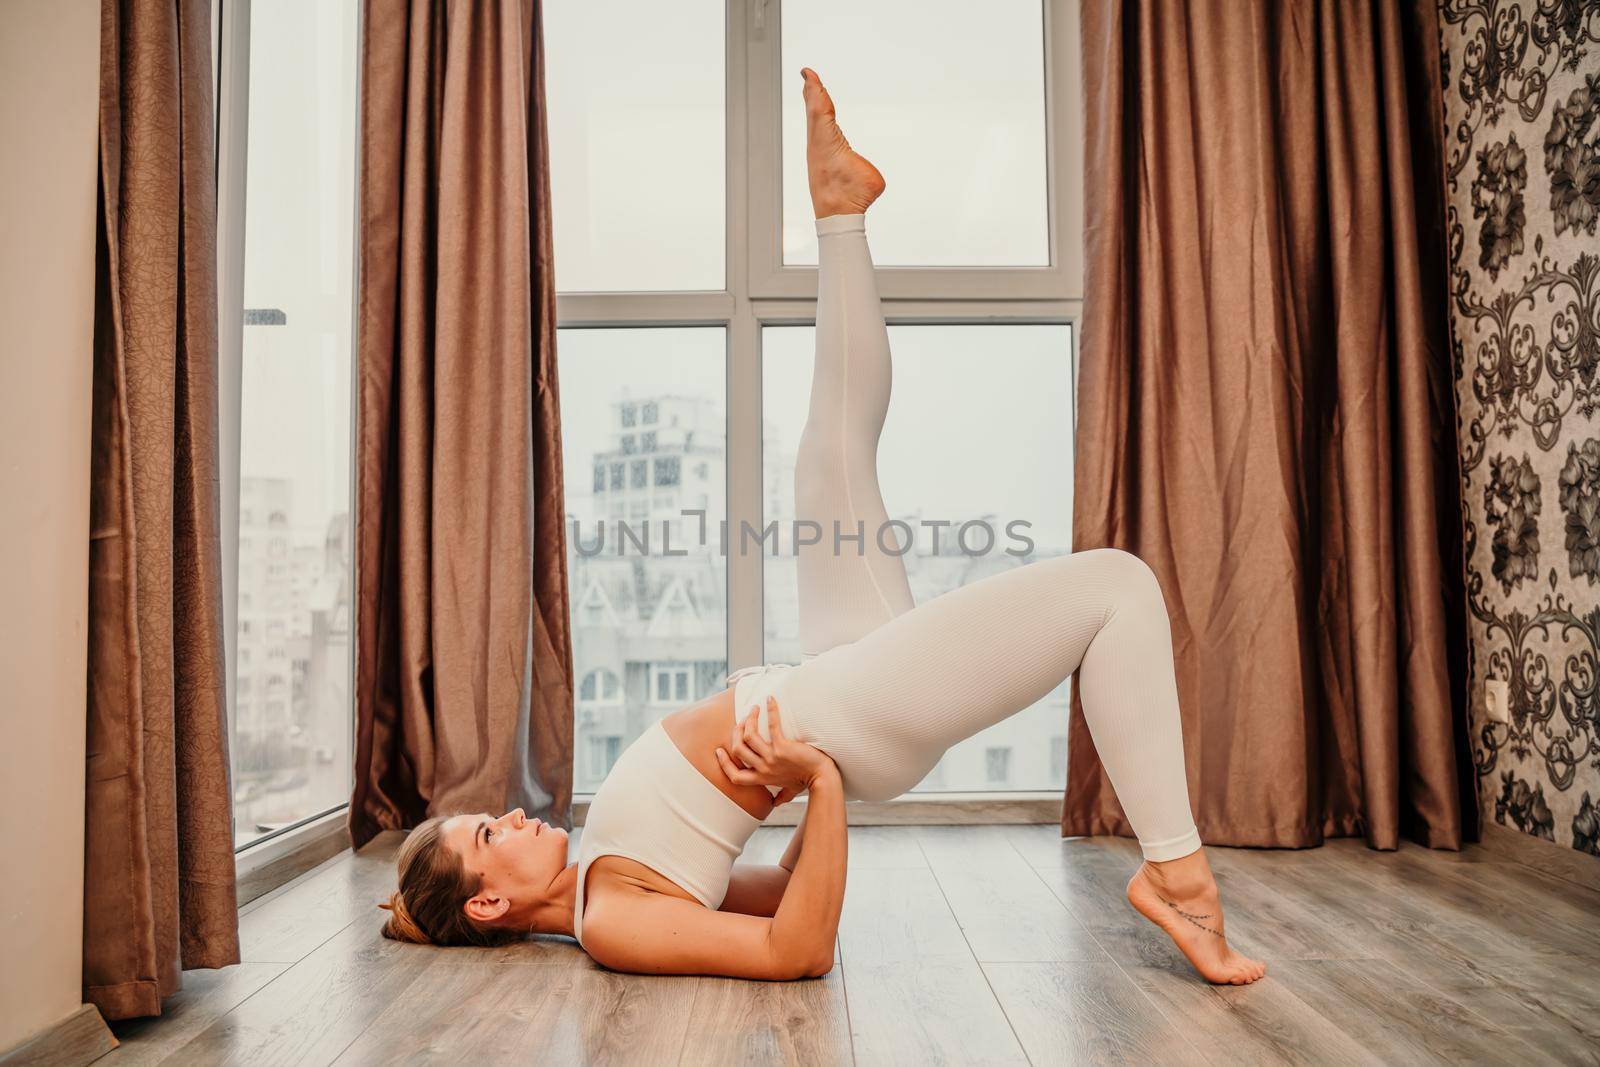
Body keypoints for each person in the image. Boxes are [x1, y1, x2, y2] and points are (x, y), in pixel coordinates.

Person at [380, 68, 1267, 986]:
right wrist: (822, 774)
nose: (515, 818)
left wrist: (809, 784)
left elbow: (783, 894)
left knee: (829, 455)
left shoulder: (606, 872)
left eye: (495, 815)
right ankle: (1178, 872)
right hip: (845, 723)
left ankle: (840, 210)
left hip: (833, 691)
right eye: (490, 833)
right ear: (489, 901)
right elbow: (798, 952)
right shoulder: (611, 923)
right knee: (1117, 585)